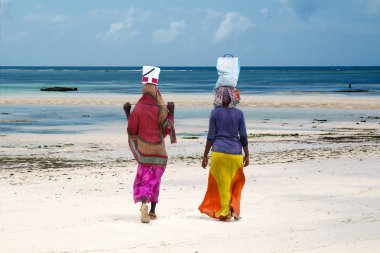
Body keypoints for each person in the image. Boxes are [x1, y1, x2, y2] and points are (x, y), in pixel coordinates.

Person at [123, 66, 176, 223]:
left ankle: (145, 205)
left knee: (145, 179)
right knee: (155, 180)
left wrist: (127, 112)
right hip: (159, 152)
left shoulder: (138, 108)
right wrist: (172, 112)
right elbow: (167, 129)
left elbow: (132, 128)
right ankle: (151, 210)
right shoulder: (161, 108)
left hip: (145, 153)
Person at [199, 86, 249, 221]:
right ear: (233, 97)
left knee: (223, 182)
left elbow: (210, 136)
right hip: (236, 153)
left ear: (218, 97)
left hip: (219, 152)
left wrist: (205, 155)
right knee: (237, 181)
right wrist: (247, 154)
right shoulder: (239, 114)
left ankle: (226, 212)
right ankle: (234, 210)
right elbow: (243, 136)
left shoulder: (214, 113)